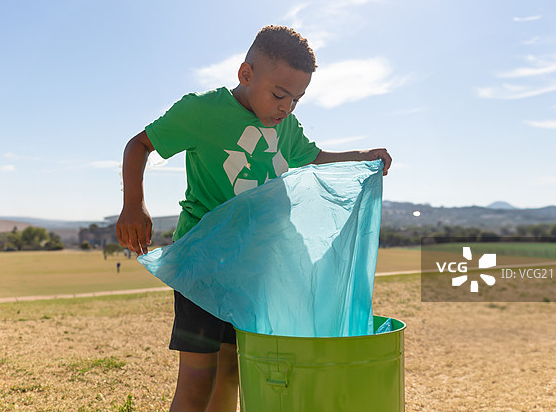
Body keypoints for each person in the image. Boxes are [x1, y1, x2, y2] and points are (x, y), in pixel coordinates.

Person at [116, 25, 391, 412]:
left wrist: (362, 156)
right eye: (279, 94)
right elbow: (140, 144)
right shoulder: (202, 111)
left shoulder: (287, 128)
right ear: (246, 74)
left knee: (232, 372)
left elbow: (314, 159)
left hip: (254, 267)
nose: (286, 107)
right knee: (198, 380)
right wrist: (133, 204)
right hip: (204, 265)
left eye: (297, 99)